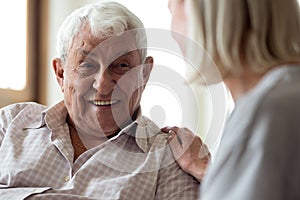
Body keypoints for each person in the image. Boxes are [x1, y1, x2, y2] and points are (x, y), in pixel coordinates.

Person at [0, 1, 200, 199]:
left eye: (121, 65)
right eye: (87, 66)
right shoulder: (8, 124)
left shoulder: (170, 158)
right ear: (61, 74)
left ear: (144, 75)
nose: (103, 85)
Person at [164, 0, 300, 199]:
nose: (172, 32)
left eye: (174, 7)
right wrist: (207, 170)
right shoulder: (286, 96)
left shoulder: (263, 115)